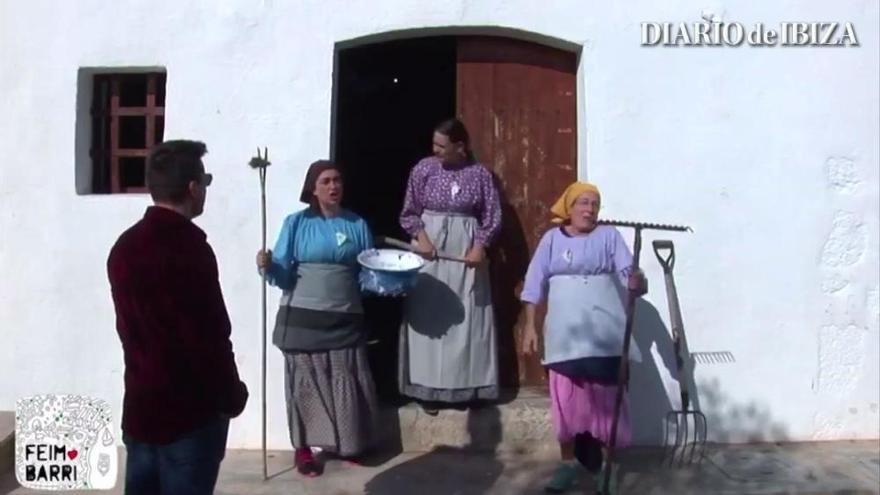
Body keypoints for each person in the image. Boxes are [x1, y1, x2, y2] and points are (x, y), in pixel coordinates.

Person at [107, 140, 249, 495]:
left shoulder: (124, 247)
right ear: (192, 188)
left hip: (141, 408)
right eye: (206, 182)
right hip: (189, 417)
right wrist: (232, 396)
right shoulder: (190, 249)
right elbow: (211, 337)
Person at [520, 182, 647, 494]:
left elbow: (630, 277)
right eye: (583, 203)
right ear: (569, 206)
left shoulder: (609, 237)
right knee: (566, 400)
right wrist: (530, 327)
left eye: (595, 204)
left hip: (605, 331)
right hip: (565, 333)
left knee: (608, 401)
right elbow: (534, 285)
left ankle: (608, 469)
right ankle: (567, 467)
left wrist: (637, 281)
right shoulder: (551, 239)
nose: (589, 210)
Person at [256, 160, 379, 477]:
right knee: (305, 383)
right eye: (326, 181)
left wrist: (389, 280)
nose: (333, 186)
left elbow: (367, 271)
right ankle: (305, 449)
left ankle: (348, 444)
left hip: (345, 314)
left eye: (337, 180)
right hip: (302, 317)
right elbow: (283, 273)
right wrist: (268, 265)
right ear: (313, 188)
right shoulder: (296, 224)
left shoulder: (357, 224)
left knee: (345, 378)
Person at [398, 118, 502, 414]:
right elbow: (409, 212)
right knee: (430, 314)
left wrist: (480, 246)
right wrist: (422, 238)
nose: (436, 150)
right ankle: (428, 389)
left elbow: (492, 215)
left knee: (469, 317)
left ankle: (466, 388)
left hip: (466, 249)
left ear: (461, 147)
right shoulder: (424, 169)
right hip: (429, 248)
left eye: (442, 146)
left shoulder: (480, 175)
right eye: (434, 144)